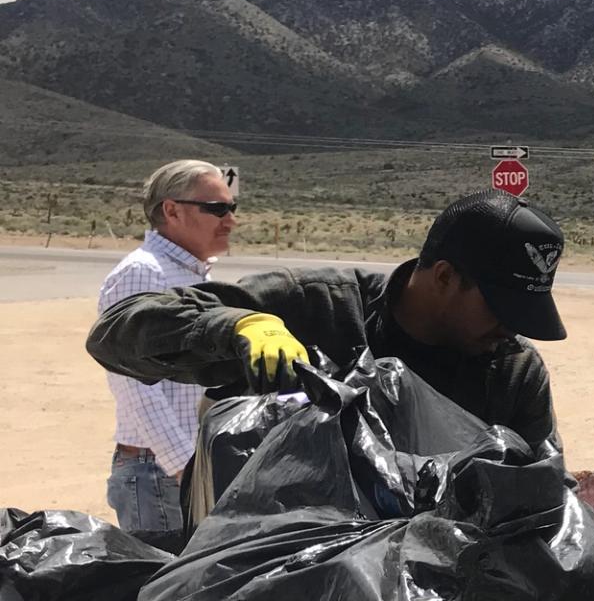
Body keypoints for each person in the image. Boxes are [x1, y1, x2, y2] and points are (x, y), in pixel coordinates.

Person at [89, 191, 568, 448]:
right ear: (444, 277)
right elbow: (114, 337)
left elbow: (541, 491)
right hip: (270, 591)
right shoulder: (315, 307)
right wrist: (236, 327)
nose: (511, 330)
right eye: (500, 310)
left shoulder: (511, 371)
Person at [95, 160, 237, 539]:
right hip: (160, 471)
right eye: (217, 209)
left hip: (184, 467)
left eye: (232, 208)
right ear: (171, 210)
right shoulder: (145, 273)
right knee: (167, 594)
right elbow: (133, 380)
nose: (230, 220)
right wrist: (183, 467)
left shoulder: (193, 275)